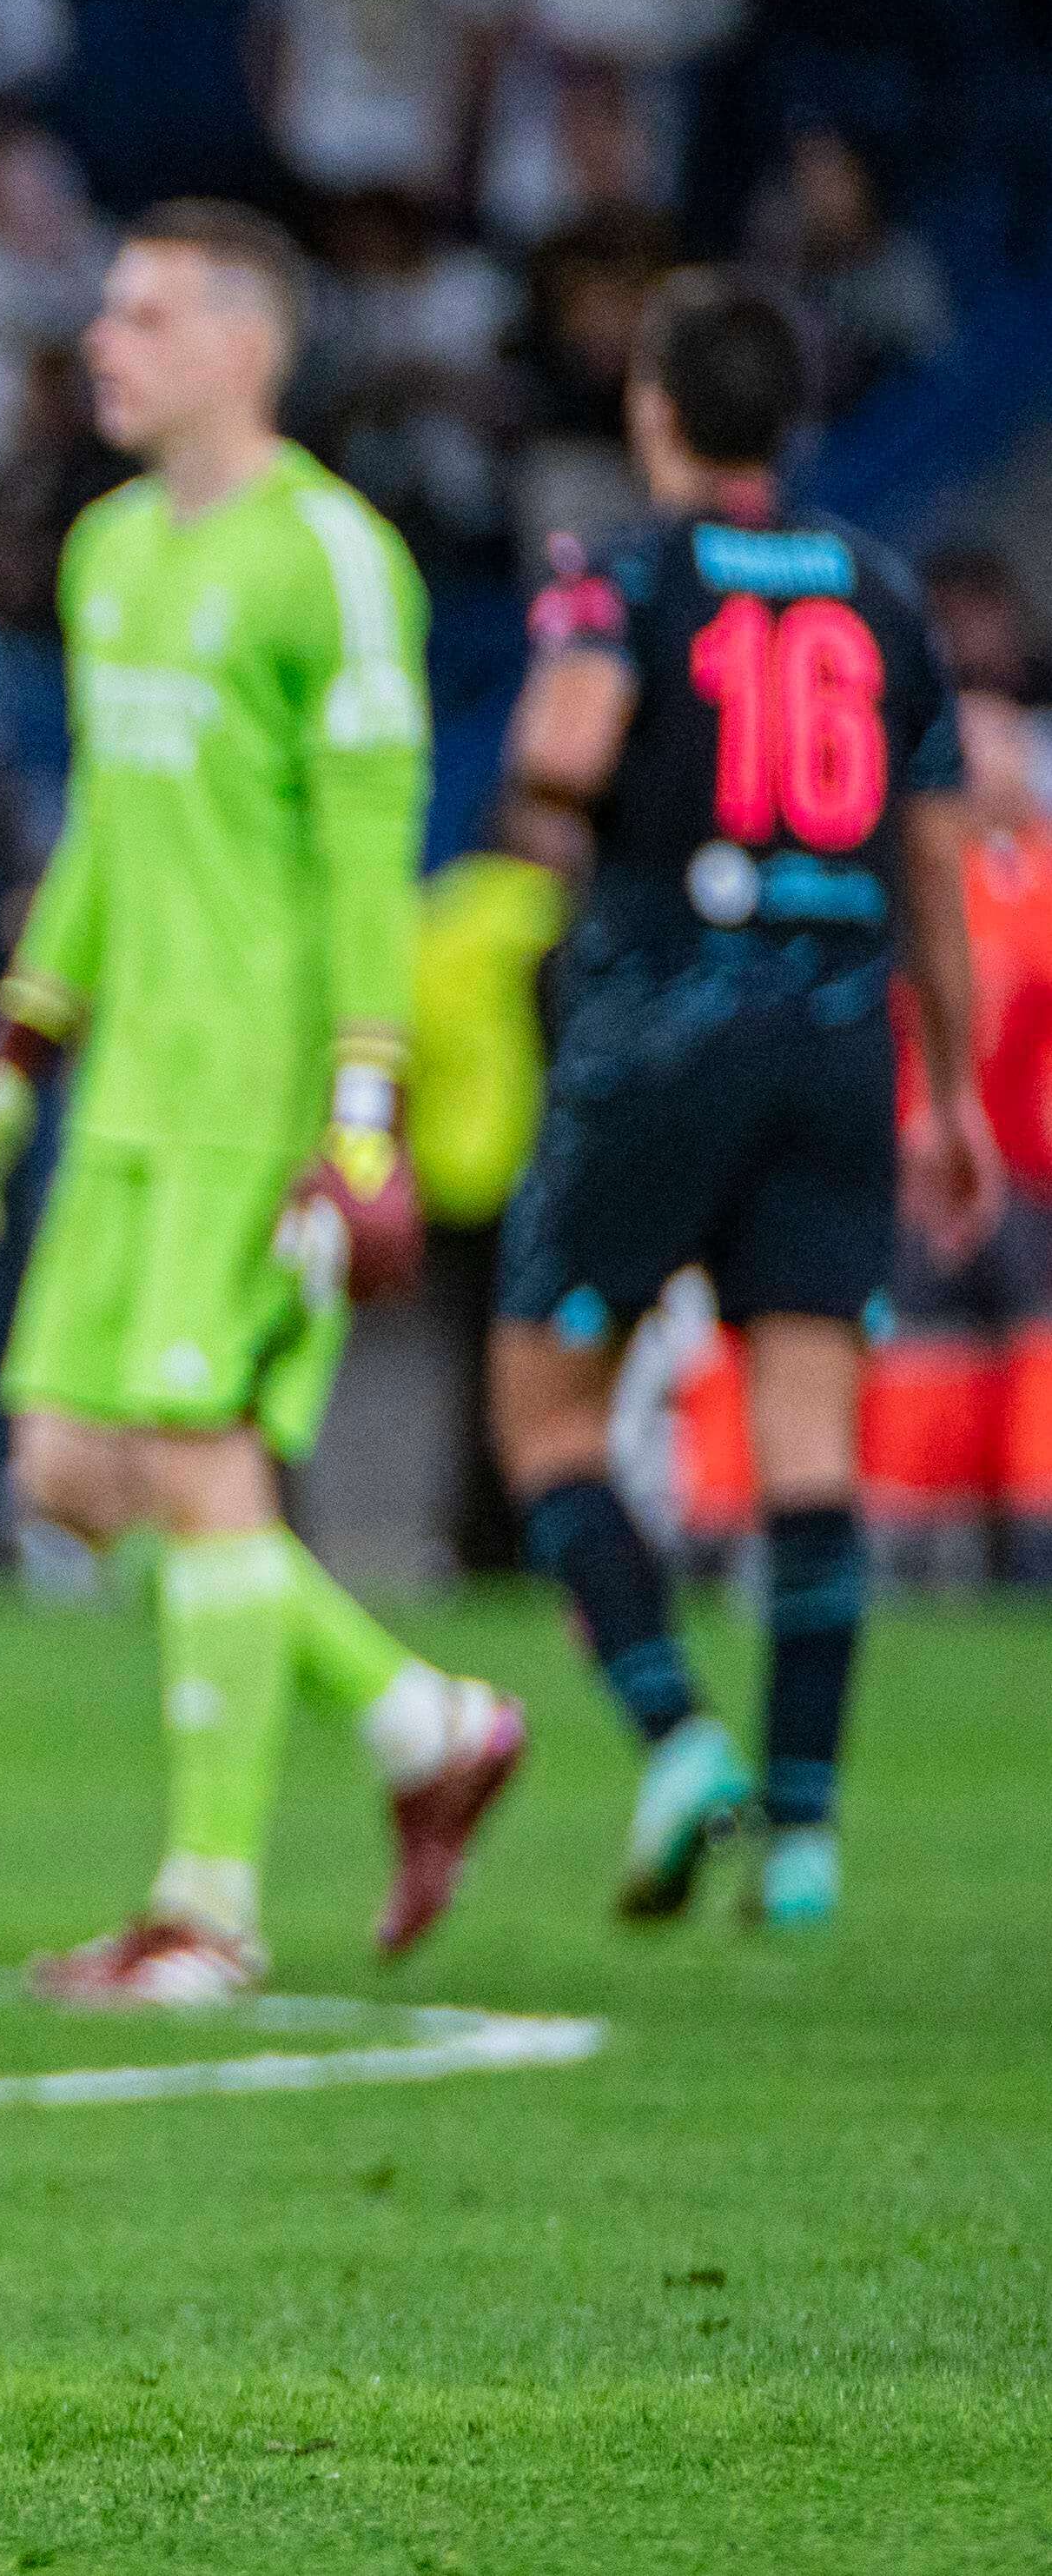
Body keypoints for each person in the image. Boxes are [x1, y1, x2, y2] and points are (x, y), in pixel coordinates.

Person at [0, 202, 526, 2008]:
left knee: (195, 1459)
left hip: (257, 1087)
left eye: (150, 315)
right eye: (108, 312)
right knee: (63, 1469)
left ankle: (209, 1907)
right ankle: (424, 1715)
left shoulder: (332, 556)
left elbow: (366, 852)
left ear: (249, 346)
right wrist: (8, 1052)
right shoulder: (107, 552)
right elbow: (103, 825)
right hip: (126, 1089)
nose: (108, 342)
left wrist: (362, 1113)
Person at [487, 271, 999, 1931]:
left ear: (650, 405)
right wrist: (956, 1092)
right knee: (804, 1432)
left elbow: (565, 753)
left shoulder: (622, 572)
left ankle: (676, 1734)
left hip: (659, 1026)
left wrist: (573, 803)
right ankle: (800, 1838)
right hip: (843, 1039)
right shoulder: (879, 587)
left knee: (547, 1415)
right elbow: (931, 848)